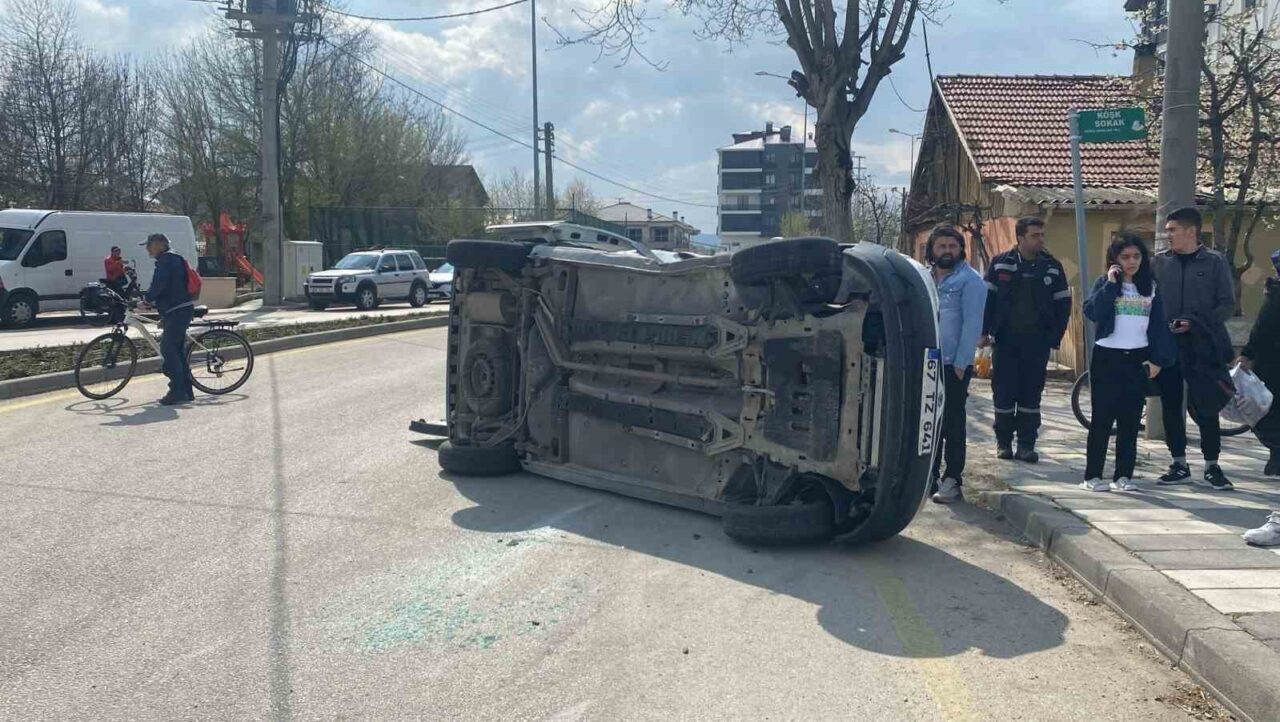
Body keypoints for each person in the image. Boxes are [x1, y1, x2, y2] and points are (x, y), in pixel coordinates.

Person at [1078, 235, 1177, 492]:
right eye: (1125, 257)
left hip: (1137, 359)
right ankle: (1092, 476)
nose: (1131, 262)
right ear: (1115, 260)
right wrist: (1111, 284)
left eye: (1136, 256)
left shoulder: (1151, 286)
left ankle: (1123, 476)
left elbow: (1158, 325)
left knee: (1130, 421)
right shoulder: (1105, 283)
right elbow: (1092, 312)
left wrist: (1158, 360)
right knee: (1101, 419)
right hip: (1106, 357)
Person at [1152, 207, 1237, 491]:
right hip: (1169, 346)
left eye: (1173, 230)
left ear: (1191, 231)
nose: (1168, 235)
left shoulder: (1215, 262)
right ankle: (1178, 463)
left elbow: (1227, 304)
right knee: (1171, 405)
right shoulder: (1160, 263)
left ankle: (1212, 466)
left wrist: (1196, 324)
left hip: (1204, 346)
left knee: (1206, 406)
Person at [980, 217, 1072, 463]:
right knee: (1004, 392)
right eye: (1035, 235)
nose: (1040, 239)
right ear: (1020, 238)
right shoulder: (1001, 264)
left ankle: (1026, 445)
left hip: (1037, 343)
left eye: (1042, 235)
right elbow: (987, 301)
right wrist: (983, 331)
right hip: (1006, 341)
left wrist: (1055, 337)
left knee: (1031, 393)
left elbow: (1063, 304)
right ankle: (1003, 443)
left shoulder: (1052, 267)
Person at [926, 225, 988, 504]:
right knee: (928, 422)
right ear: (933, 250)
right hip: (927, 362)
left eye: (953, 246)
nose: (947, 251)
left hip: (954, 365)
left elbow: (972, 324)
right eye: (942, 246)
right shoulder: (925, 279)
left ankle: (952, 480)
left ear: (961, 250)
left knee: (952, 421)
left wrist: (963, 363)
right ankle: (928, 476)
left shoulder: (970, 281)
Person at [1238, 249, 1280, 476]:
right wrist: (1248, 354)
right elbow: (1261, 332)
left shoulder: (1275, 296)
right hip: (1270, 364)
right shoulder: (1274, 294)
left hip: (1271, 366)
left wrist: (1247, 354)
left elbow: (1261, 332)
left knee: (1264, 416)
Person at [142, 233, 195, 405]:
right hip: (178, 309)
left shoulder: (166, 260)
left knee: (169, 350)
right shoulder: (173, 258)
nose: (147, 248)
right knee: (177, 351)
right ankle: (186, 390)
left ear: (159, 244)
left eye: (149, 245)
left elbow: (160, 283)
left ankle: (177, 391)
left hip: (177, 310)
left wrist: (147, 299)